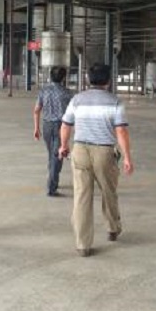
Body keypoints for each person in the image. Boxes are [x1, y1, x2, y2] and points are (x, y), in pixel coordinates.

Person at [59, 63, 134, 258]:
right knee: (109, 192)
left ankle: (83, 245)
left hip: (80, 150)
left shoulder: (77, 100)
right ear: (108, 80)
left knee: (82, 196)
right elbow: (121, 131)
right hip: (104, 152)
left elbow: (66, 125)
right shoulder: (114, 102)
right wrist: (127, 157)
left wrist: (63, 146)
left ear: (88, 79)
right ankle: (112, 228)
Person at [33, 66, 74, 197]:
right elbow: (73, 113)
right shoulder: (67, 93)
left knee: (53, 154)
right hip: (61, 126)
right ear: (64, 77)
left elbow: (36, 110)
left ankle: (53, 177)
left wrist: (36, 128)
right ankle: (51, 187)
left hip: (46, 126)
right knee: (57, 156)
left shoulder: (44, 91)